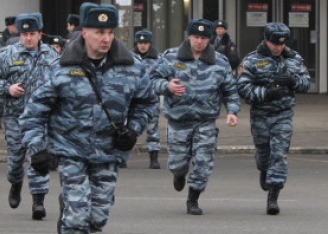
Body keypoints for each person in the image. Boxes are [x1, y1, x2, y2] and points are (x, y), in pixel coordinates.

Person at [18, 3, 157, 233]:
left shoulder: (132, 67)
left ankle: (71, 211)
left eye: (111, 32)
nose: (106, 38)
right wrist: (37, 148)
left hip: (108, 151)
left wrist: (133, 129)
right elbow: (35, 110)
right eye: (99, 32)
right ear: (84, 33)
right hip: (70, 150)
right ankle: (70, 214)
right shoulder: (60, 68)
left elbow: (146, 102)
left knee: (97, 219)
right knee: (77, 218)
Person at [150, 19, 241, 215]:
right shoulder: (171, 57)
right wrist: (167, 87)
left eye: (203, 38)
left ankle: (193, 199)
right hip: (178, 121)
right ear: (189, 36)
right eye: (196, 37)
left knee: (203, 163)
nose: (199, 41)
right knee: (178, 163)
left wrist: (232, 111)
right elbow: (152, 80)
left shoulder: (220, 61)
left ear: (209, 39)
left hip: (205, 121)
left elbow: (230, 90)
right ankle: (179, 174)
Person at [0, 12, 59, 220]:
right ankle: (15, 183)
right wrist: (8, 88)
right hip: (15, 117)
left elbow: (62, 84)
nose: (28, 38)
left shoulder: (52, 56)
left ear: (40, 34)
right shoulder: (5, 54)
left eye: (32, 33)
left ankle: (38, 202)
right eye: (24, 33)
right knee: (16, 160)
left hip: (40, 118)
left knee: (39, 158)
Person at [237, 22, 310, 215]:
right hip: (260, 114)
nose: (278, 47)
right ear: (266, 41)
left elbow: (306, 83)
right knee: (264, 153)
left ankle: (273, 197)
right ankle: (263, 169)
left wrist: (295, 81)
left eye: (281, 44)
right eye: (274, 44)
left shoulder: (294, 59)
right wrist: (266, 93)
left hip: (283, 114)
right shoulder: (252, 60)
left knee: (279, 154)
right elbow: (243, 88)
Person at [127, 29, 162, 169]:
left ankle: (154, 157)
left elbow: (164, 74)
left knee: (152, 127)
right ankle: (124, 155)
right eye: (140, 43)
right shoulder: (129, 57)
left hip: (150, 97)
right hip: (132, 97)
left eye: (145, 43)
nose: (142, 46)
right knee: (127, 127)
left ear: (150, 43)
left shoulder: (158, 58)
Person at [0, 16, 20, 129]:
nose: (17, 27)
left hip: (18, 68)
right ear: (9, 26)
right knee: (1, 94)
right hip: (4, 68)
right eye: (14, 25)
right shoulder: (1, 38)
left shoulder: (20, 37)